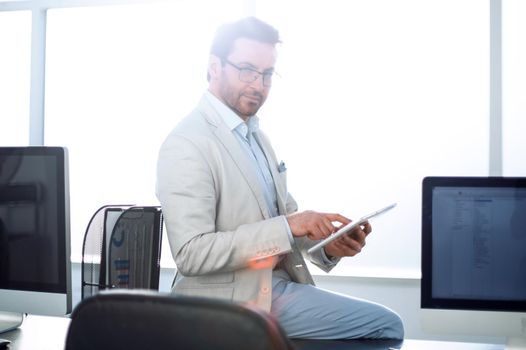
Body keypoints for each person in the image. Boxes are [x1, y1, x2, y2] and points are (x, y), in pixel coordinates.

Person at [156, 16, 404, 339]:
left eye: (267, 74)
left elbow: (286, 228)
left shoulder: (257, 138)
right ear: (215, 66)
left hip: (274, 288)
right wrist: (291, 225)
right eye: (247, 70)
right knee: (387, 327)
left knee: (381, 327)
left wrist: (329, 246)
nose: (258, 85)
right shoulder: (186, 143)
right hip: (226, 304)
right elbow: (191, 253)